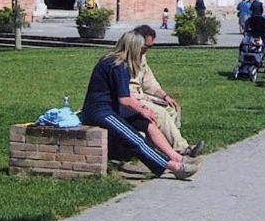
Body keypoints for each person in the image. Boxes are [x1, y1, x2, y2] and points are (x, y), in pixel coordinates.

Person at [80, 31, 200, 180]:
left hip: (113, 109)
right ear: (133, 48)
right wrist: (143, 110)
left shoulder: (116, 62)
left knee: (148, 125)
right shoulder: (117, 65)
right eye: (141, 48)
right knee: (135, 139)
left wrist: (144, 113)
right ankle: (173, 167)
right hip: (100, 112)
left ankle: (177, 157)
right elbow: (125, 99)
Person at [131, 25, 204, 157]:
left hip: (141, 96)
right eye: (146, 46)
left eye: (150, 46)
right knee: (161, 114)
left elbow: (150, 82)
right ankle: (182, 148)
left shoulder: (142, 57)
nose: (147, 50)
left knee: (172, 108)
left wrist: (165, 96)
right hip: (131, 100)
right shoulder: (126, 58)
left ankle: (166, 147)